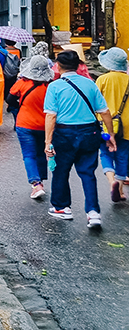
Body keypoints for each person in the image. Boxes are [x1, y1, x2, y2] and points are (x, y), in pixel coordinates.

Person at [44, 50, 117, 227]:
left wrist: (48, 142)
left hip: (64, 133)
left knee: (61, 170)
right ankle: (93, 213)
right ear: (78, 66)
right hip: (89, 132)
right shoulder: (90, 84)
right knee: (87, 173)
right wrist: (110, 134)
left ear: (58, 66)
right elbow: (104, 111)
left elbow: (51, 116)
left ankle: (62, 208)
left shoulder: (54, 86)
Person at [8, 55, 54, 199]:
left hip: (25, 124)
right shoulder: (51, 86)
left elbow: (9, 99)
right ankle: (41, 180)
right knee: (41, 153)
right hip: (45, 125)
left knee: (29, 154)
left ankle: (36, 183)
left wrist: (21, 106)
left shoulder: (22, 83)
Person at [96, 47, 129, 203]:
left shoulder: (103, 79)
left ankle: (112, 182)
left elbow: (95, 102)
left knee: (106, 153)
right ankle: (121, 191)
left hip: (105, 124)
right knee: (123, 156)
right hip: (127, 126)